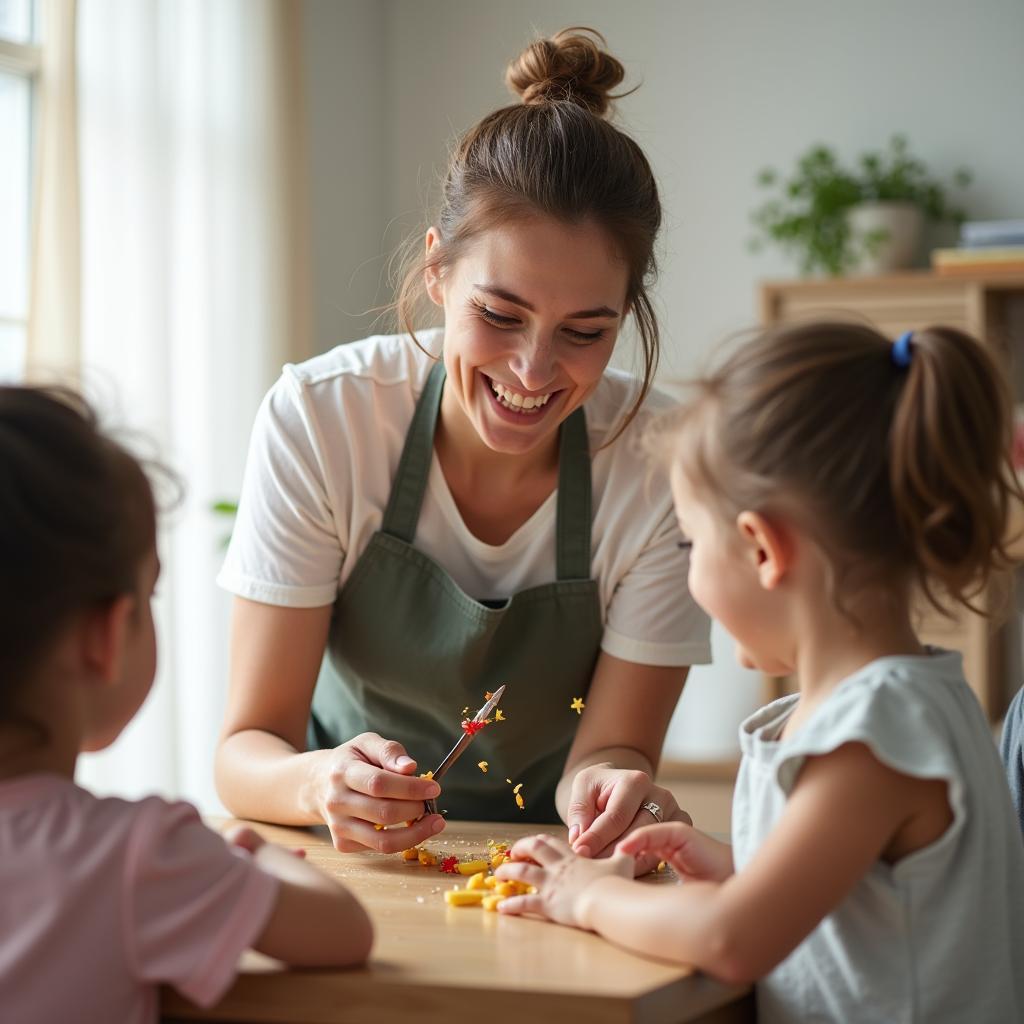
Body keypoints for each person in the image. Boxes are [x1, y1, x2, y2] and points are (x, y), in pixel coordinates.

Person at [214, 27, 711, 858]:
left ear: (625, 316)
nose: (533, 369)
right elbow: (246, 750)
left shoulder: (660, 460)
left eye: (586, 331)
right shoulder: (324, 418)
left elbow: (615, 749)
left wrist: (613, 791)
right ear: (438, 271)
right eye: (500, 315)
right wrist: (321, 783)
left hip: (544, 862)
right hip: (342, 850)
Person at [494, 323, 1024, 1023]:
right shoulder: (914, 698)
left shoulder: (873, 734)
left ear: (761, 548)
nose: (687, 572)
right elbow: (871, 896)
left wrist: (583, 894)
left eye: (691, 541)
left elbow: (731, 940)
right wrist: (736, 866)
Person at [0, 387, 372, 1024]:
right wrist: (244, 848)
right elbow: (342, 932)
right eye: (153, 593)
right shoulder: (137, 859)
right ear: (107, 637)